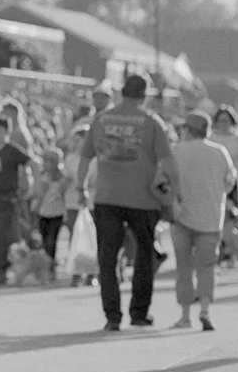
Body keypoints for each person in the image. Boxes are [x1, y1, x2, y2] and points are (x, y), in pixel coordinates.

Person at [69, 75, 172, 332]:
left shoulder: (101, 120)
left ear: (121, 93)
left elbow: (84, 158)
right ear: (144, 95)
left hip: (107, 197)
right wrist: (174, 195)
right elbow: (168, 163)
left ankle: (112, 316)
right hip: (144, 200)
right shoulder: (151, 123)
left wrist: (81, 187)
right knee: (144, 256)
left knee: (108, 257)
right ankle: (139, 313)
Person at [157, 110, 237, 332]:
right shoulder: (220, 152)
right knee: (207, 267)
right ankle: (204, 310)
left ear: (187, 130)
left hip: (182, 217)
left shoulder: (176, 151)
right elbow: (230, 182)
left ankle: (185, 316)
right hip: (212, 218)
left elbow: (162, 178)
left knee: (184, 268)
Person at [0, 115, 33, 287]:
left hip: (7, 198)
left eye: (1, 131)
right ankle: (0, 262)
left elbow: (32, 163)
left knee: (1, 233)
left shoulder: (12, 150)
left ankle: (2, 269)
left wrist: (32, 185)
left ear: (7, 132)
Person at [208, 105, 238, 268]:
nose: (223, 124)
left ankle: (234, 250)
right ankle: (217, 250)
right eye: (220, 120)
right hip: (212, 183)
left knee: (231, 218)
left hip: (233, 184)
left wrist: (235, 178)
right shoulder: (211, 137)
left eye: (226, 120)